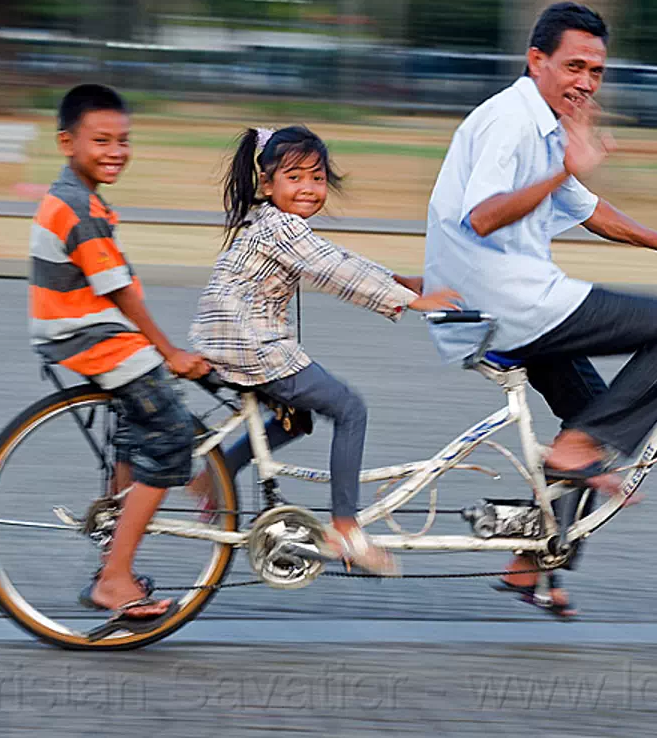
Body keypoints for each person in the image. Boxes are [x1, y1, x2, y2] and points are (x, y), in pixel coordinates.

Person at [423, 2, 657, 616]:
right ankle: (571, 459)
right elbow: (483, 216)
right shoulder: (510, 121)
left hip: (508, 300)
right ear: (537, 61)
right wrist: (561, 171)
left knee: (594, 419)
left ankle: (530, 565)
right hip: (501, 299)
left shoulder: (547, 123)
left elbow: (587, 207)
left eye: (597, 71)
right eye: (573, 66)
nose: (585, 82)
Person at [189, 125, 460, 575]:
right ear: (267, 183)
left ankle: (214, 475)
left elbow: (332, 257)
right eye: (294, 178)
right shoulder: (282, 228)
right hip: (250, 345)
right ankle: (345, 529)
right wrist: (412, 300)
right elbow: (332, 269)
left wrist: (398, 281)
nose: (309, 189)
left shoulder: (273, 223)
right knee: (350, 408)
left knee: (296, 419)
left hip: (227, 338)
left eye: (317, 178)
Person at [29, 83, 211, 632]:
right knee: (174, 436)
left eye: (124, 141)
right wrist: (171, 349)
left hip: (84, 332)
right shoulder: (79, 207)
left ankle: (127, 519)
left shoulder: (78, 197)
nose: (115, 151)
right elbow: (123, 294)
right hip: (93, 336)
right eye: (100, 140)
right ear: (67, 142)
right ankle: (116, 576)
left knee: (153, 418)